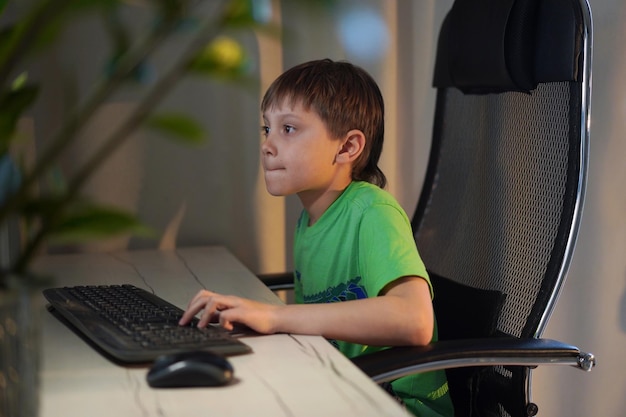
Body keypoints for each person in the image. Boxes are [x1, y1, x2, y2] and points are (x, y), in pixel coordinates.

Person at [179, 58, 454, 417]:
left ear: (347, 148)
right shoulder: (310, 221)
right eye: (267, 129)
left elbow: (414, 321)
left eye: (289, 129)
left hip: (397, 404)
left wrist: (278, 317)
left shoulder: (371, 213)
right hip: (339, 386)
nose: (267, 145)